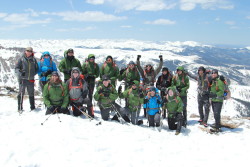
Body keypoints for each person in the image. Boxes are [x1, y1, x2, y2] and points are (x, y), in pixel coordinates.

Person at [15, 47, 38, 112]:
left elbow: (36, 68)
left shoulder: (33, 59)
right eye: (28, 51)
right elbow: (16, 68)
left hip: (30, 79)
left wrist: (33, 74)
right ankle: (20, 108)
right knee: (21, 93)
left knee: (31, 93)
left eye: (30, 51)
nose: (29, 52)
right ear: (25, 51)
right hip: (22, 79)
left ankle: (32, 107)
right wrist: (20, 73)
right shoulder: (21, 59)